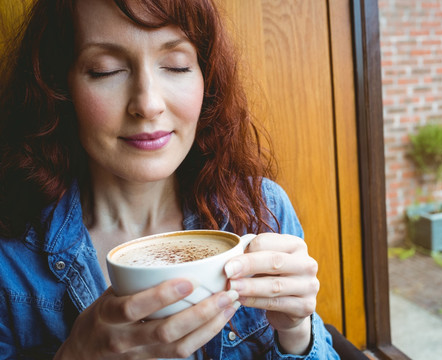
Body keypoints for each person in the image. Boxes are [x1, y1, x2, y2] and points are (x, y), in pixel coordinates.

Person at [0, 0, 341, 359]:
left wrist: (297, 332)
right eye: (105, 70)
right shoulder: (12, 258)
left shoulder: (262, 211)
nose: (148, 104)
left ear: (205, 77)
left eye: (176, 66)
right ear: (59, 85)